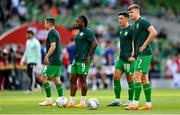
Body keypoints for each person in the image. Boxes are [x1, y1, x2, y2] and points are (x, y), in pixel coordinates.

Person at [125, 4, 157, 110]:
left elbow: (153, 32)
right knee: (144, 79)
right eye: (129, 12)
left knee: (136, 77)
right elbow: (134, 40)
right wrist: (134, 51)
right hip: (140, 55)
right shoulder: (135, 25)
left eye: (131, 12)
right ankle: (148, 105)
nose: (130, 14)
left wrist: (144, 45)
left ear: (137, 11)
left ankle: (135, 103)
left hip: (145, 53)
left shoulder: (143, 21)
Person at [66, 15, 98, 108]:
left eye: (77, 21)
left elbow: (95, 43)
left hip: (83, 60)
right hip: (76, 59)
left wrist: (89, 55)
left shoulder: (88, 32)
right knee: (72, 80)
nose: (76, 23)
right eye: (76, 21)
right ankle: (71, 101)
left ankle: (82, 102)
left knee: (82, 80)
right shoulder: (78, 33)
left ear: (83, 23)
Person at [107, 11, 135, 107]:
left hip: (129, 59)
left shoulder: (131, 30)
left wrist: (134, 56)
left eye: (121, 18)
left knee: (130, 79)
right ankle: (117, 100)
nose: (119, 20)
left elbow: (135, 42)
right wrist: (119, 55)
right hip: (121, 58)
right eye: (119, 19)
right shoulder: (121, 30)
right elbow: (123, 45)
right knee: (115, 77)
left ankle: (130, 101)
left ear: (127, 18)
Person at [38, 17, 64, 106]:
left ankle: (49, 100)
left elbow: (53, 46)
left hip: (52, 60)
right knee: (57, 80)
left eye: (45, 23)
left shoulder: (51, 33)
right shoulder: (56, 32)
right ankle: (61, 99)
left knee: (43, 78)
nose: (44, 25)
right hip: (57, 60)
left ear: (49, 24)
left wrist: (46, 56)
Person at [20, 29, 41, 93]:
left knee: (32, 75)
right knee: (30, 75)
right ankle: (42, 85)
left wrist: (38, 63)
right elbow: (26, 52)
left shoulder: (36, 42)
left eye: (28, 34)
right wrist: (23, 60)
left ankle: (30, 89)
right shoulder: (28, 42)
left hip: (34, 62)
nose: (26, 35)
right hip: (29, 61)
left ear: (31, 34)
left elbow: (38, 53)